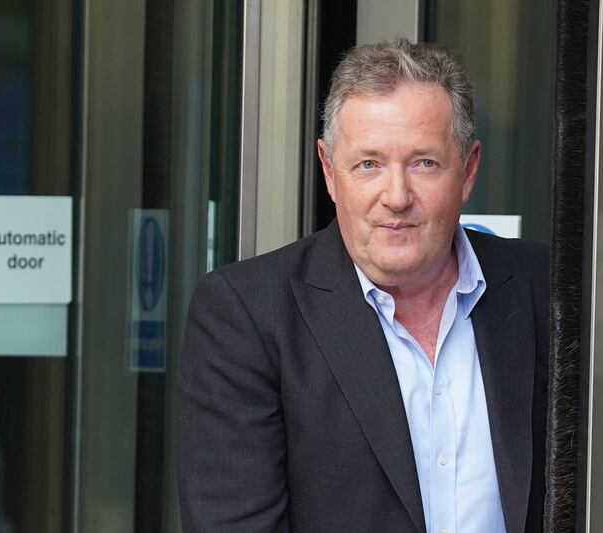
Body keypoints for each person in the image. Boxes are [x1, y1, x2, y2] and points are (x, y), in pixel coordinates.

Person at [176, 38, 548, 533]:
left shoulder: (545, 288)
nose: (396, 197)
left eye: (424, 163)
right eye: (368, 164)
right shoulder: (246, 314)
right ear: (330, 171)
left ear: (469, 170)